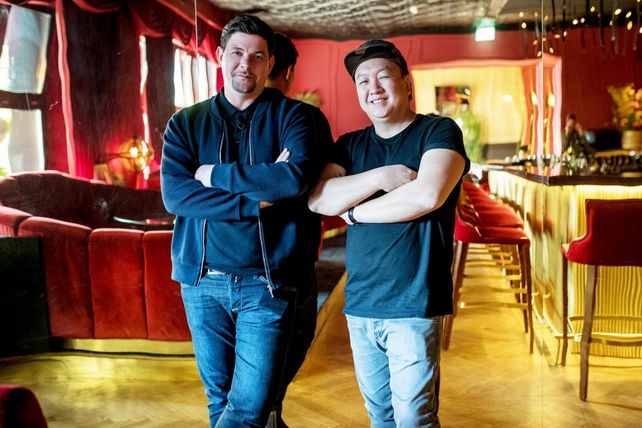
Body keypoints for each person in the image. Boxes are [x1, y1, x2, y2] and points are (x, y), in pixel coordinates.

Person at [160, 15, 319, 428]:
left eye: (257, 56)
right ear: (219, 56)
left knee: (249, 406)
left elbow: (292, 179)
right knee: (219, 399)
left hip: (265, 283)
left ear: (270, 64)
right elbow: (176, 196)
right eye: (236, 53)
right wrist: (256, 199)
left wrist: (210, 175)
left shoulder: (294, 117)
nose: (245, 64)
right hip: (201, 282)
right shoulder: (185, 123)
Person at [308, 39, 470, 427]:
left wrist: (355, 212)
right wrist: (381, 177)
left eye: (383, 77)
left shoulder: (438, 131)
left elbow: (427, 195)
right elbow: (320, 199)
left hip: (414, 302)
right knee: (380, 415)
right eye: (363, 81)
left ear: (406, 83)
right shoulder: (349, 145)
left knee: (414, 417)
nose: (373, 88)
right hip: (361, 303)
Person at [264, 32, 333, 428]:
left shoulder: (228, 118)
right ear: (289, 71)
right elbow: (320, 184)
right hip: (292, 252)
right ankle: (269, 414)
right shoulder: (305, 118)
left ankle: (266, 414)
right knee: (295, 337)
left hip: (236, 255)